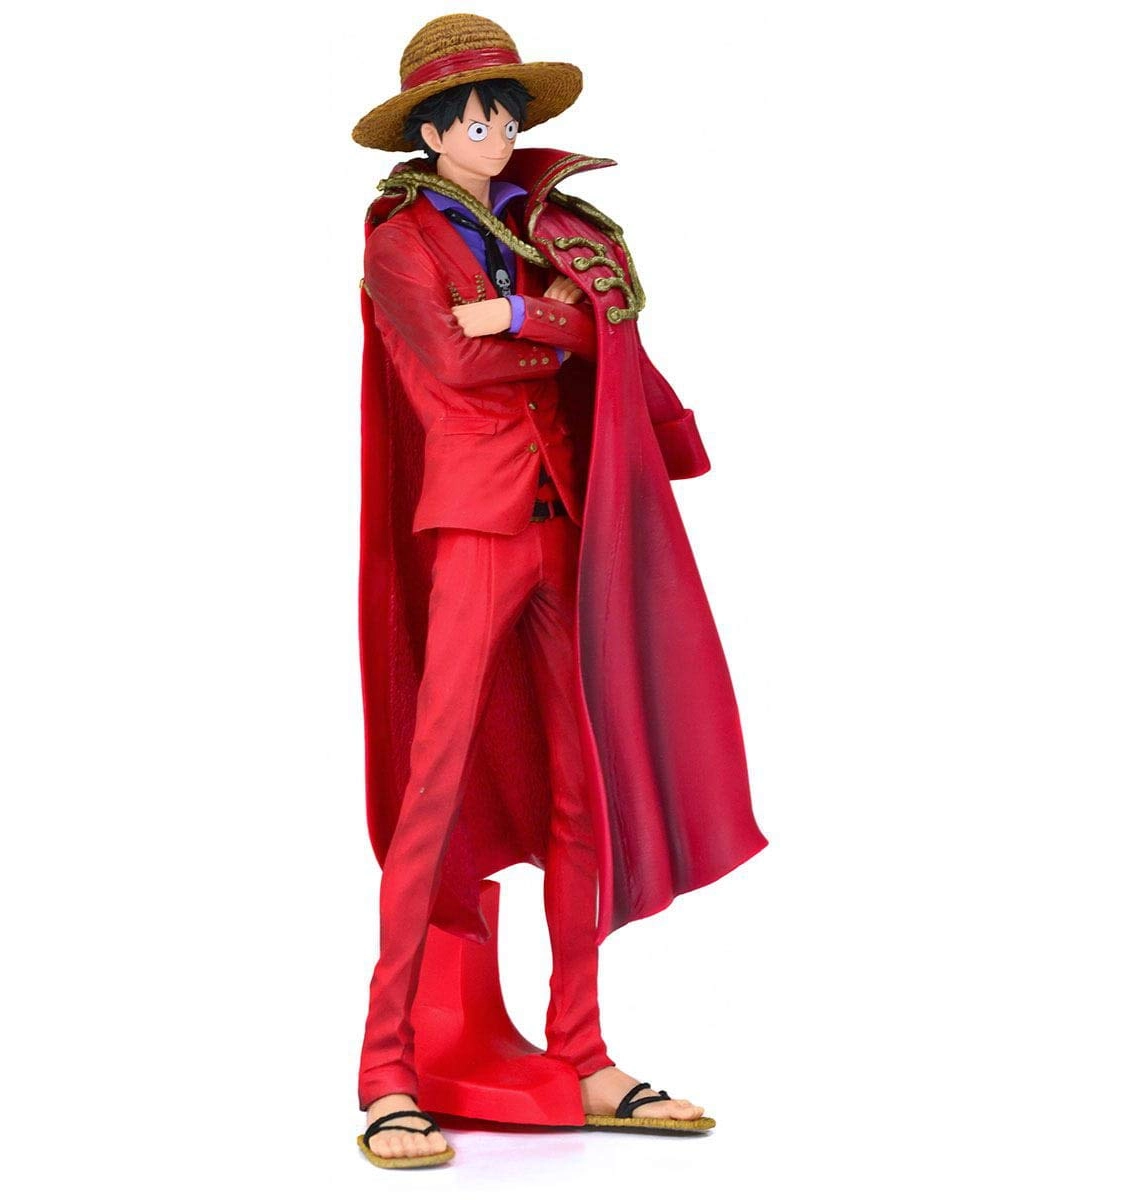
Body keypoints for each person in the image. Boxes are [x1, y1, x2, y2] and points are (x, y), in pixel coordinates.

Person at [352, 14, 767, 1169]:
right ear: (434, 133)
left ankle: (584, 1053)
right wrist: (559, 339)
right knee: (433, 791)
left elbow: (599, 330)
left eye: (505, 118)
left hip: (565, 525)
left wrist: (529, 316)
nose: (497, 135)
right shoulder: (400, 239)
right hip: (473, 528)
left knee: (584, 791)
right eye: (477, 120)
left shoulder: (547, 229)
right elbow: (453, 362)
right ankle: (386, 1072)